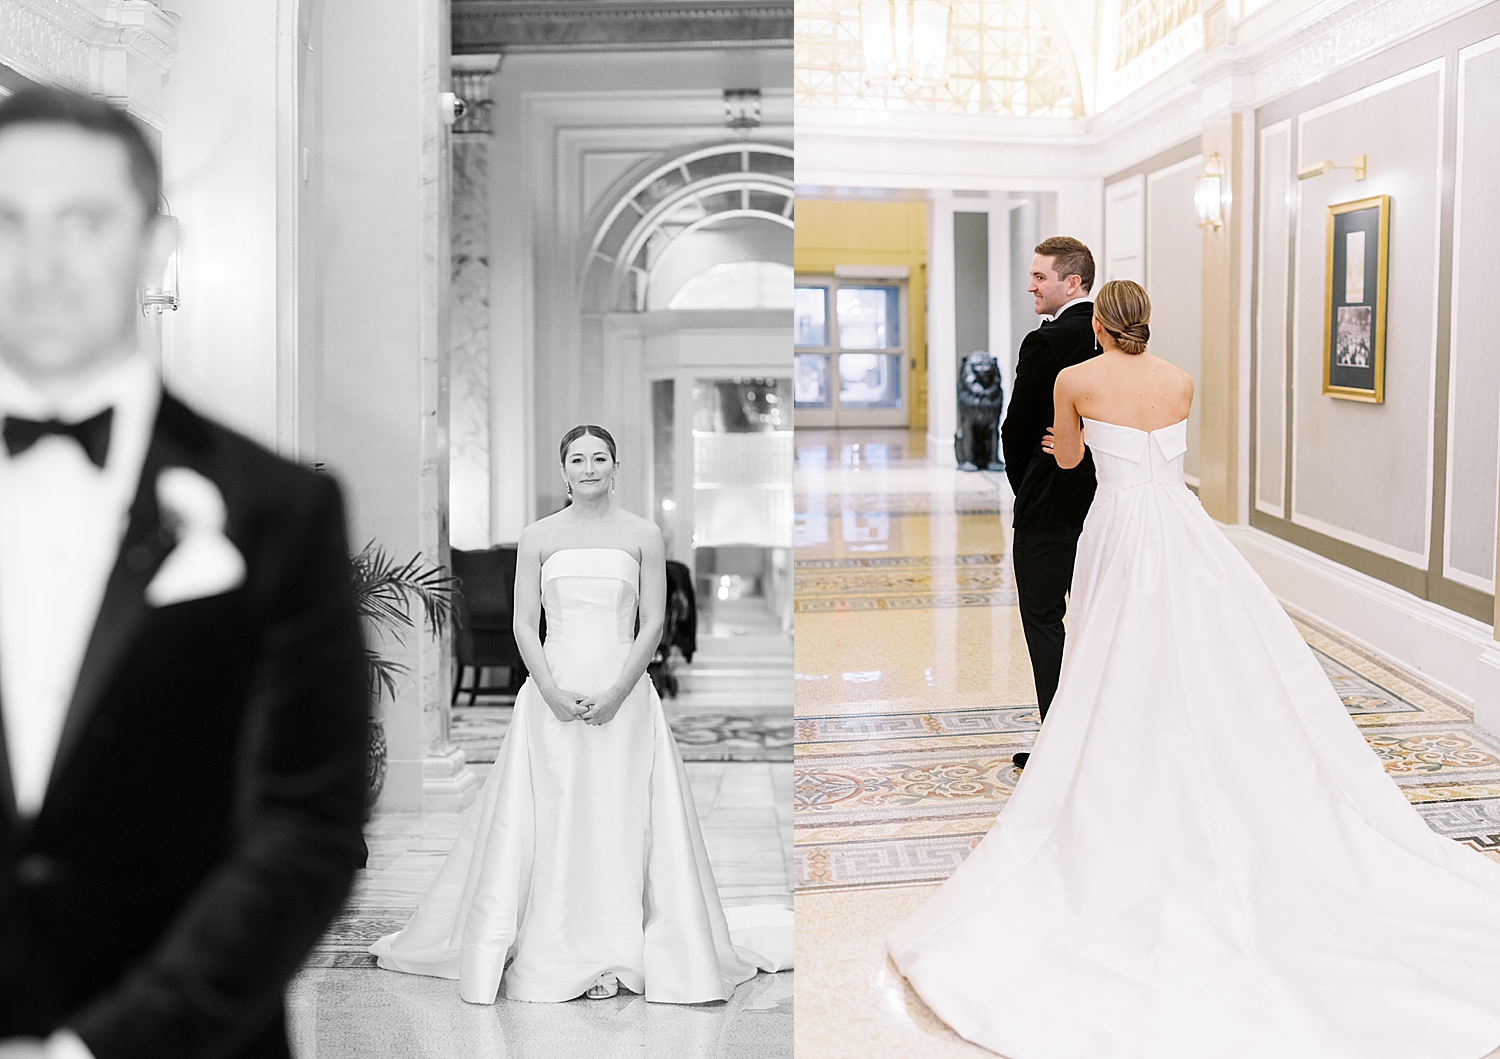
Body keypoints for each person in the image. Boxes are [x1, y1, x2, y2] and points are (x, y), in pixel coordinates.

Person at [888, 280, 1500, 1058]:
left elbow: (1069, 458)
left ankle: (1130, 761)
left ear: (1099, 323)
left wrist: (1065, 443)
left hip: (1117, 526)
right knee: (1199, 644)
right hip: (1181, 524)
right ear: (1144, 322)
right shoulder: (1178, 379)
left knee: (1112, 649)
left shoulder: (1075, 379)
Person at [0, 88, 369, 1059]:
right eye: (6, 222)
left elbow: (307, 831)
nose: (40, 264)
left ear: (156, 245)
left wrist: (98, 1049)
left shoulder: (278, 510)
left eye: (83, 222)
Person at [370, 425, 790, 1003]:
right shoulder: (539, 536)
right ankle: (559, 944)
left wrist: (619, 691)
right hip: (552, 694)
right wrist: (548, 690)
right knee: (554, 816)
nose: (589, 468)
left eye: (599, 458)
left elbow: (653, 622)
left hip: (626, 694)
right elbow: (524, 623)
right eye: (577, 459)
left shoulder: (642, 533)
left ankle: (620, 947)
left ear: (615, 466)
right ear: (563, 470)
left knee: (621, 817)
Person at [999, 236, 1102, 770]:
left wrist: (1027, 484)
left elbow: (1016, 430)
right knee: (1100, 618)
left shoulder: (1046, 342)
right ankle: (1101, 732)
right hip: (1104, 500)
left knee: (1044, 618)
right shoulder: (1114, 338)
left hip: (1049, 502)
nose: (1031, 286)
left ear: (1073, 282)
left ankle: (1062, 745)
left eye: (1041, 277)